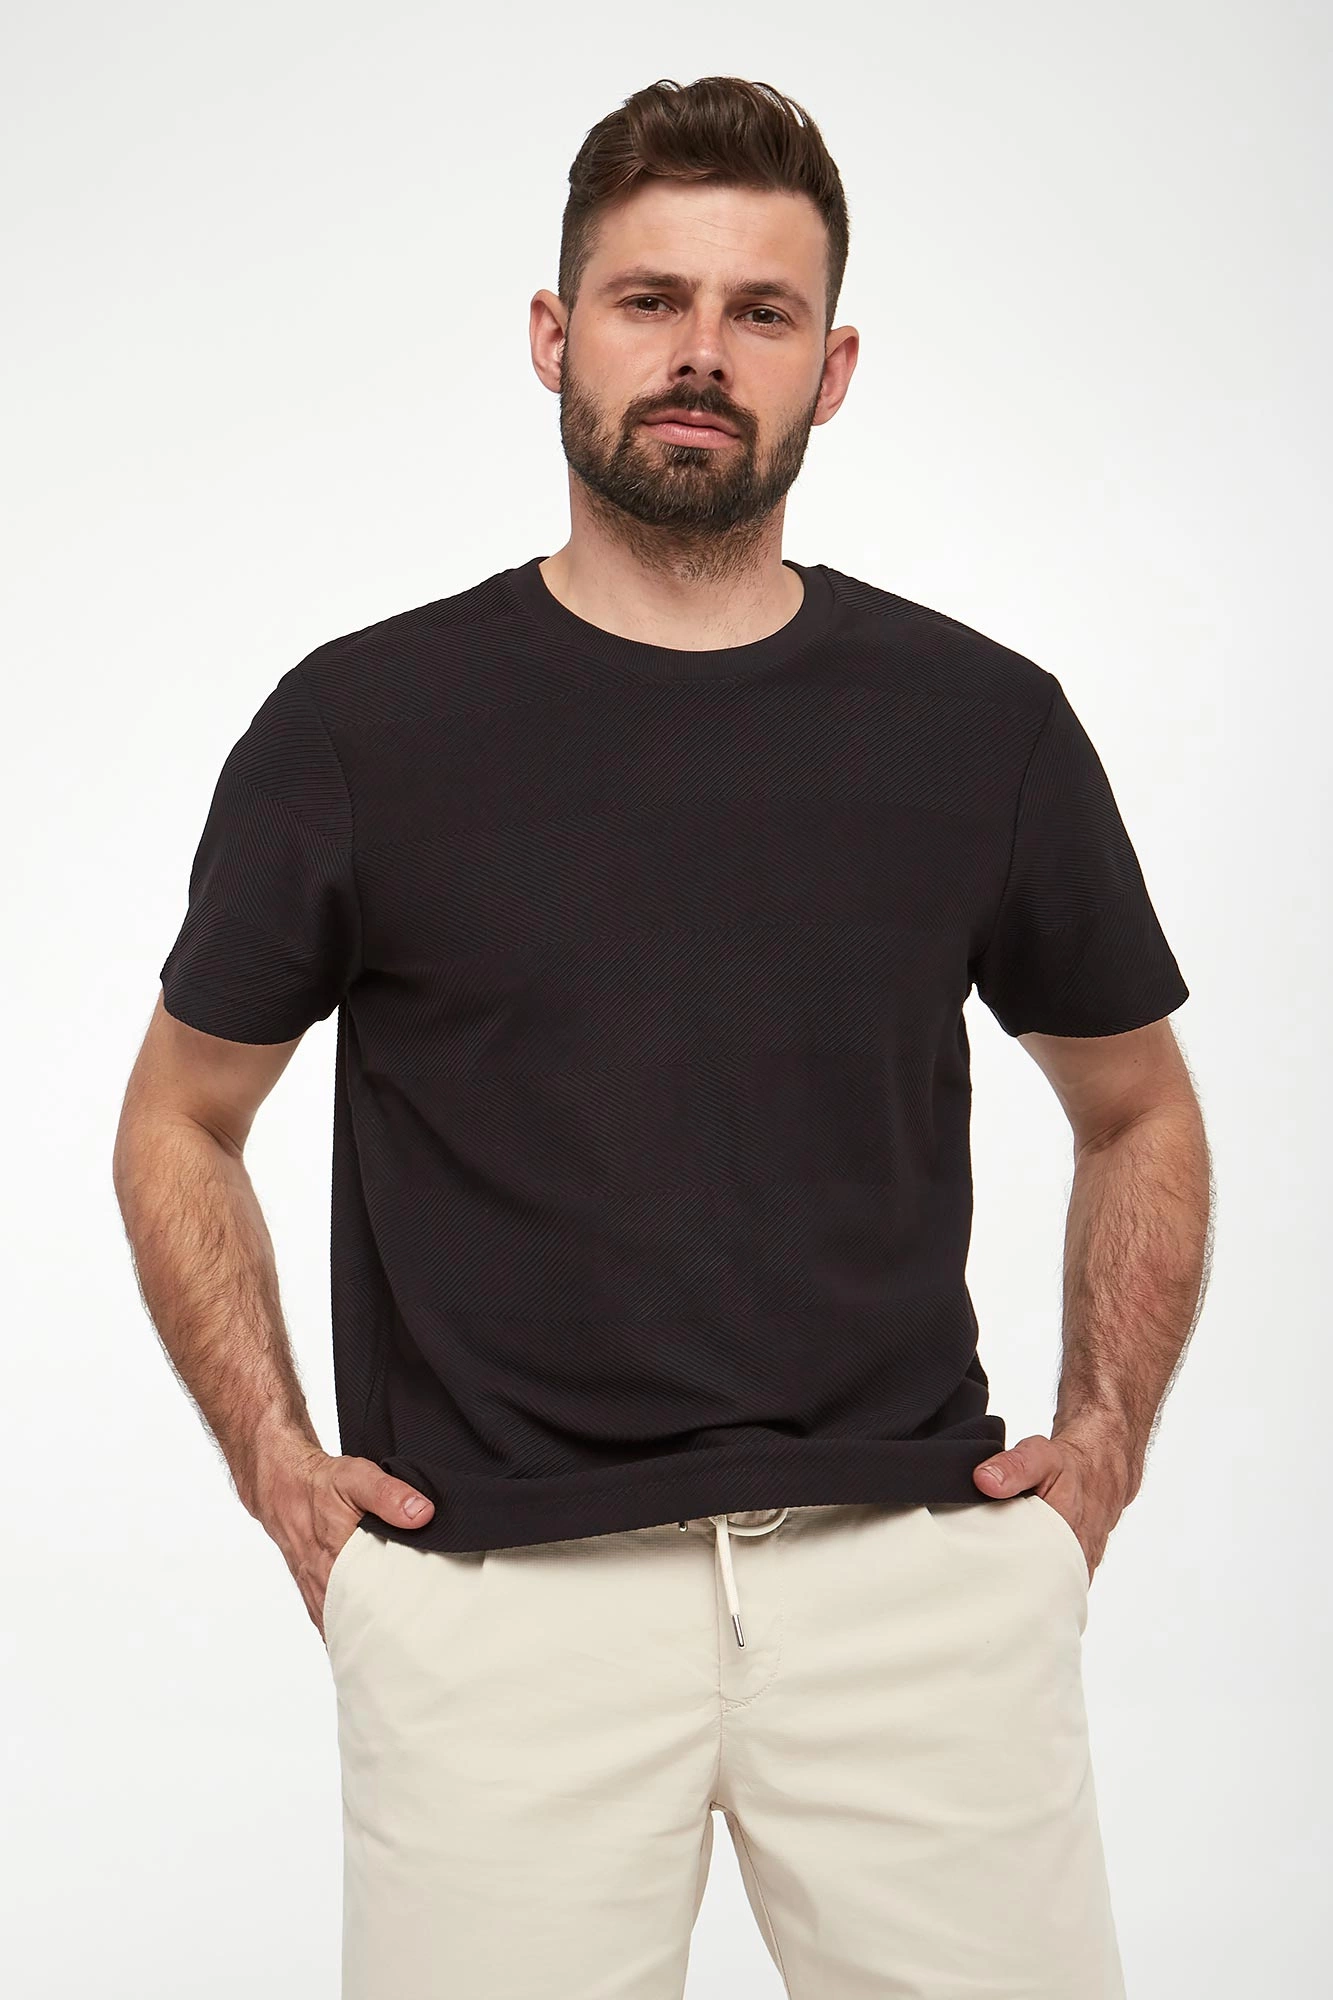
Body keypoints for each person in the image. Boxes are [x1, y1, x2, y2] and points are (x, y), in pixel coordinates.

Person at [113, 72, 1211, 2000]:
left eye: (760, 312)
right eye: (650, 300)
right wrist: (280, 1462)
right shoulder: (359, 729)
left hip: (914, 1590)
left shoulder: (984, 726)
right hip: (496, 1610)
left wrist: (1103, 1443)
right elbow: (177, 1120)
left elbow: (1139, 1109)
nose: (702, 353)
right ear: (556, 335)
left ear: (831, 369)